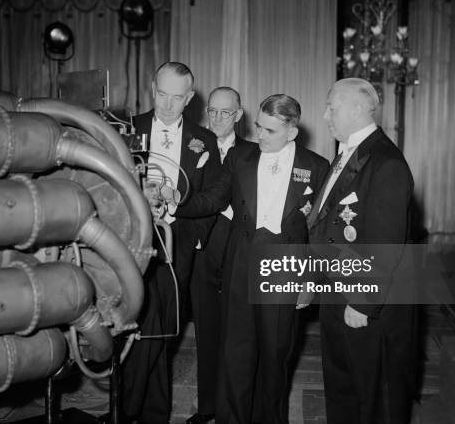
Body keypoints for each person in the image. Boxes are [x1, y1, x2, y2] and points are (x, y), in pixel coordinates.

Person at [210, 94, 329, 423]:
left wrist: (310, 280)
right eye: (259, 127)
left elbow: (319, 231)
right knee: (236, 351)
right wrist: (178, 200)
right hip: (242, 261)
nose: (260, 135)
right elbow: (214, 198)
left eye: (270, 131)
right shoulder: (240, 156)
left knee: (276, 354)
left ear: (291, 131)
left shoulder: (316, 167)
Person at [307, 78, 417, 424]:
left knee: (376, 395)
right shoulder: (347, 154)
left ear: (356, 109)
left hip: (364, 299)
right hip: (336, 291)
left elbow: (385, 241)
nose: (324, 115)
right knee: (343, 389)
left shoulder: (386, 162)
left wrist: (362, 301)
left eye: (331, 107)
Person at [121, 61, 224, 423]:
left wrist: (192, 237)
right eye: (162, 94)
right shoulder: (128, 129)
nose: (167, 105)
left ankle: (145, 410)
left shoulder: (204, 140)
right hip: (131, 246)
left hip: (176, 248)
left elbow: (214, 198)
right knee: (140, 330)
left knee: (164, 333)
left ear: (189, 99)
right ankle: (135, 410)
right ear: (153, 89)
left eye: (176, 98)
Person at [187, 87, 256, 424]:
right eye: (212, 111)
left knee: (237, 335)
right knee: (206, 331)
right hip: (201, 249)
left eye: (224, 113)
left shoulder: (254, 152)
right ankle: (207, 408)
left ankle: (234, 408)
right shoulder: (194, 146)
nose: (216, 118)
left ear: (239, 115)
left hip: (237, 250)